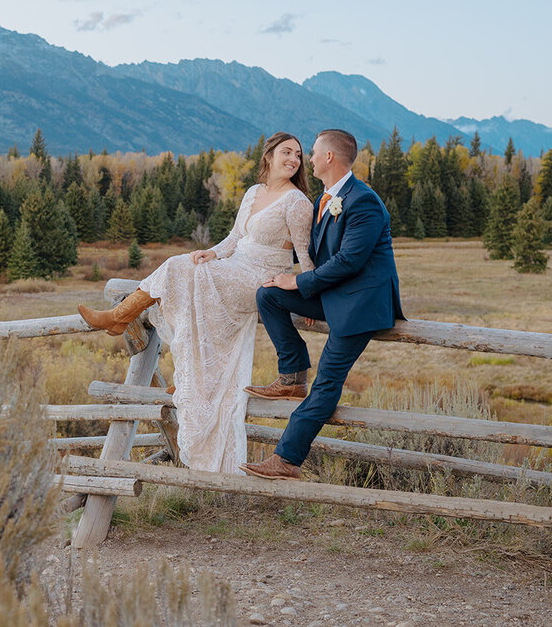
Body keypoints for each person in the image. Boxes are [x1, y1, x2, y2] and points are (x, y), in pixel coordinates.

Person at [78, 133, 314, 473]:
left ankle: (118, 318)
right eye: (286, 152)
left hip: (260, 277)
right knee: (187, 265)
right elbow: (235, 238)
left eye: (298, 155)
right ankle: (129, 327)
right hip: (234, 264)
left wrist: (306, 291)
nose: (293, 159)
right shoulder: (254, 192)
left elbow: (304, 254)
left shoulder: (297, 203)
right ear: (269, 156)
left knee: (185, 274)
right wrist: (212, 252)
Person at [241, 128, 404, 481]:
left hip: (360, 307)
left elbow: (349, 261)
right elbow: (316, 255)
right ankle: (293, 373)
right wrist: (292, 281)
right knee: (268, 294)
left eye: (312, 152)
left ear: (329, 157)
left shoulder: (364, 201)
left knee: (327, 384)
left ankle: (286, 460)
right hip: (332, 296)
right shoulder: (325, 199)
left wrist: (300, 282)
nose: (307, 159)